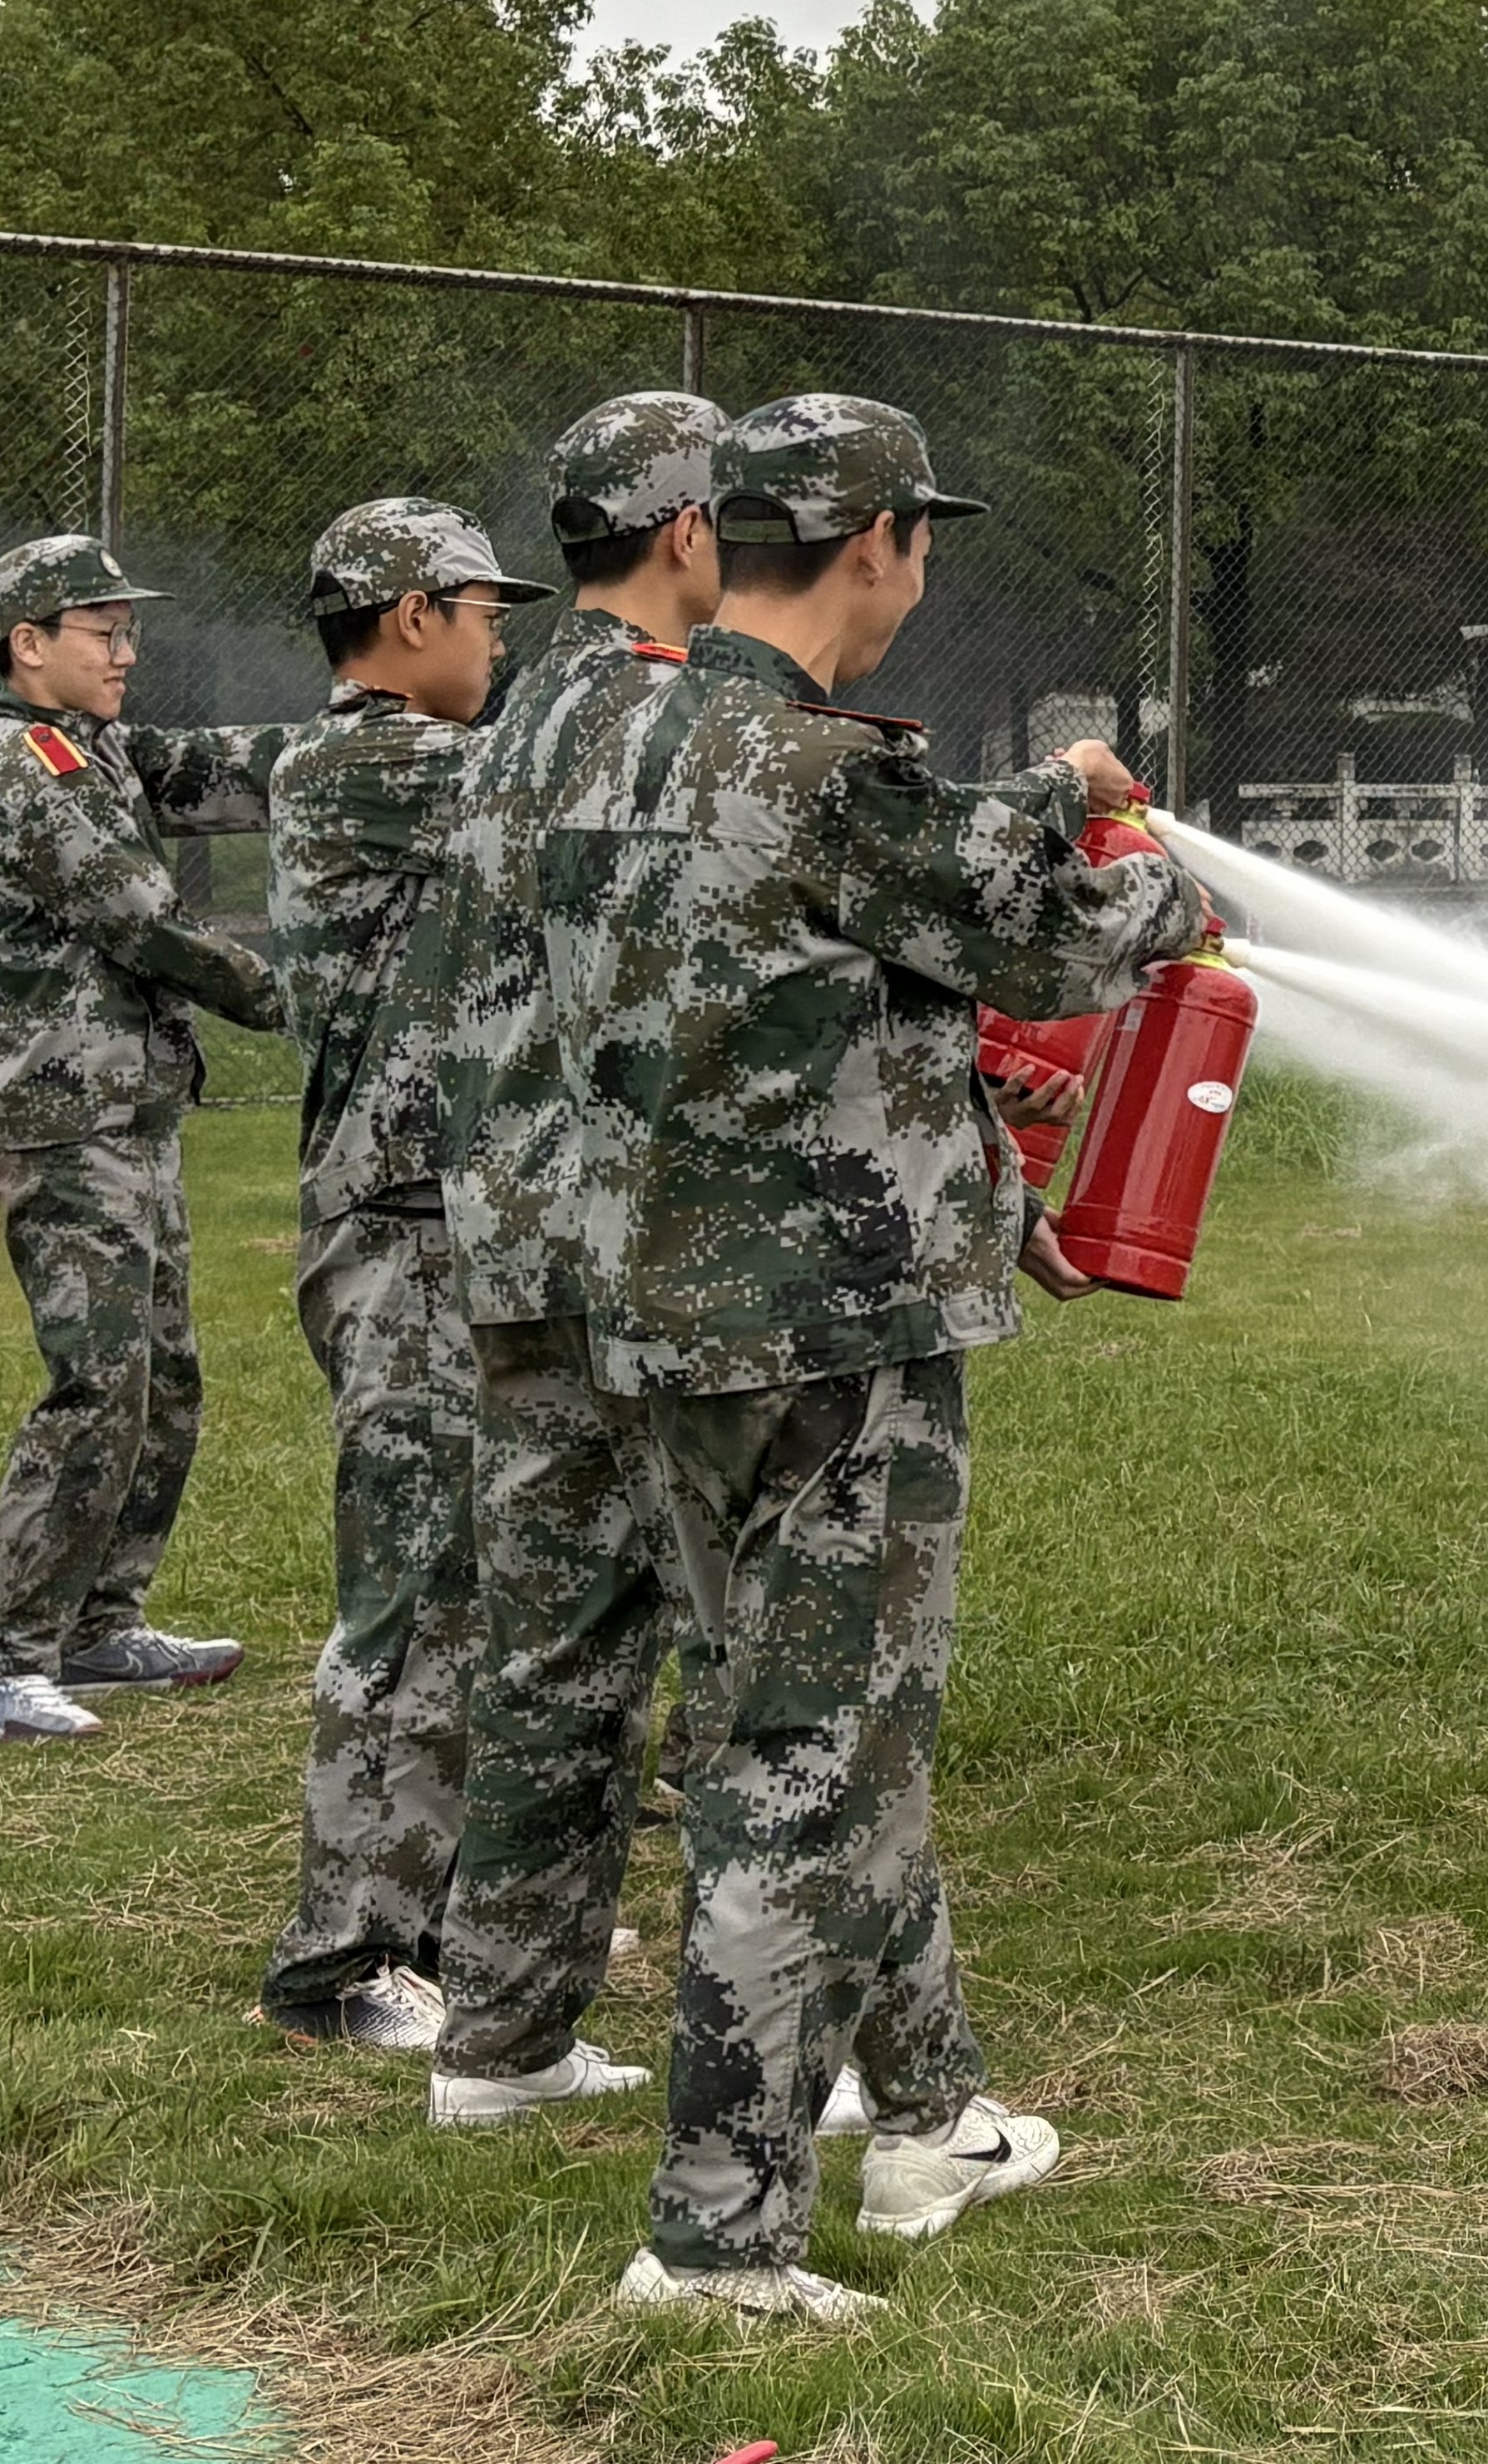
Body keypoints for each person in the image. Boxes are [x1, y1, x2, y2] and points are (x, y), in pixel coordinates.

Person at [529, 394, 1195, 2323]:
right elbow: (1056, 950)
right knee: (805, 1770)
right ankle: (719, 2244)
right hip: (835, 1343)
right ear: (881, 542)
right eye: (921, 541)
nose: (920, 573)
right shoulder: (824, 771)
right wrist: (1156, 875)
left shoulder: (619, 739)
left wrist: (990, 1168)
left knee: (820, 1727)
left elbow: (839, 961)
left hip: (665, 1322)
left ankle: (928, 2120)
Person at [423, 393, 730, 2127]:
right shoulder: (671, 722)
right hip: (650, 1251)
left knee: (554, 1655)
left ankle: (503, 2046)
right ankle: (794, 2050)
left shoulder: (524, 713)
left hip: (518, 1245)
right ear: (688, 528)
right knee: (755, 1652)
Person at [250, 499, 550, 2052]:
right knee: (419, 1592)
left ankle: (441, 1920)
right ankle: (346, 1962)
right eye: (486, 613)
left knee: (481, 1587)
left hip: (456, 1224)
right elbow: (607, 804)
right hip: (405, 1231)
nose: (500, 641)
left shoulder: (428, 769)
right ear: (412, 615)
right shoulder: (373, 762)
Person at [0, 536, 291, 1746]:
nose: (128, 650)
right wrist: (305, 993)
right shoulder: (36, 773)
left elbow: (223, 769)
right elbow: (154, 931)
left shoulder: (96, 751)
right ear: (29, 644)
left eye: (129, 629)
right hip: (65, 1122)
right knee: (99, 1383)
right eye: (104, 630)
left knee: (163, 1379)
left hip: (124, 1113)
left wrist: (367, 740)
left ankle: (98, 1625)